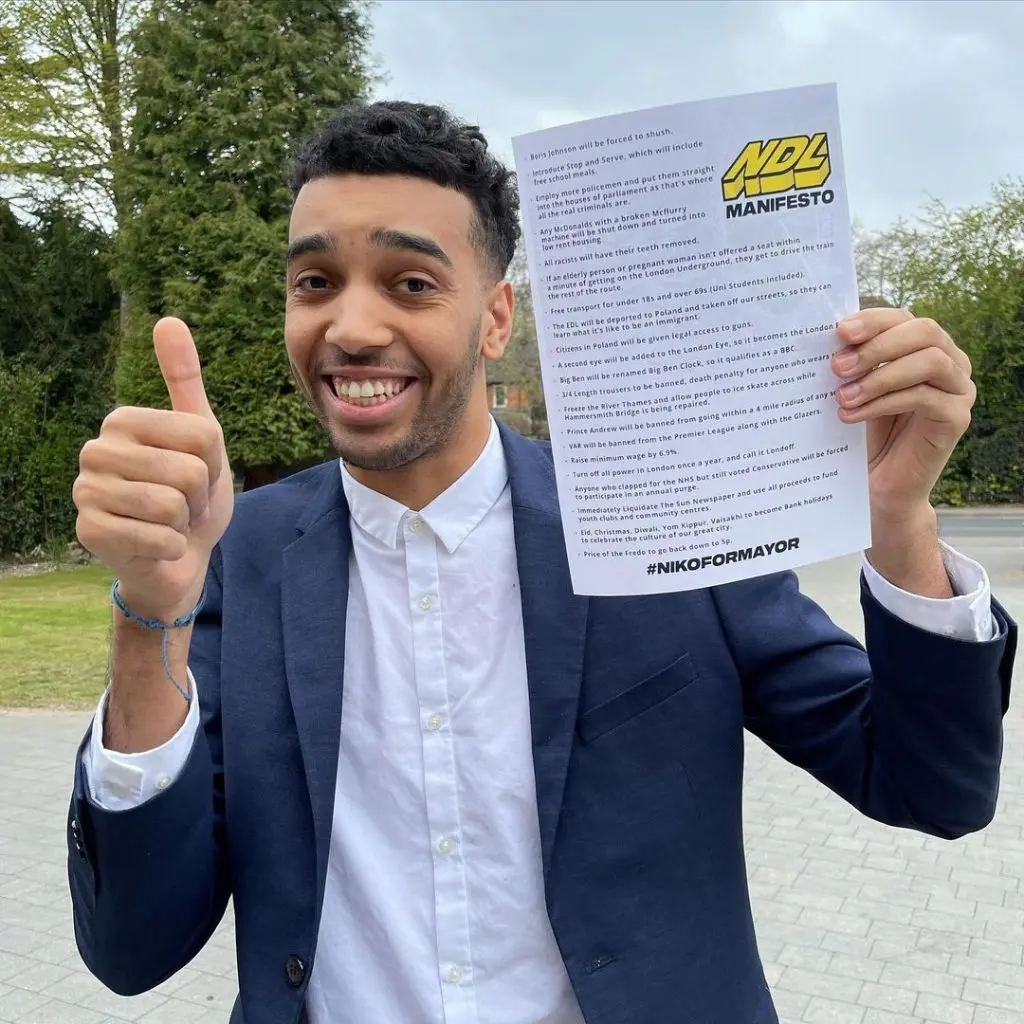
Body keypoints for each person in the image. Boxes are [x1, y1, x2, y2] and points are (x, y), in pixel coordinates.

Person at [68, 100, 1016, 1024]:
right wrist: (148, 609)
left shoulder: (666, 518)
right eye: (315, 281)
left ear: (495, 320)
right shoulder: (241, 552)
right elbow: (133, 948)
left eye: (411, 282)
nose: (351, 328)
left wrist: (899, 520)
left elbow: (928, 787)